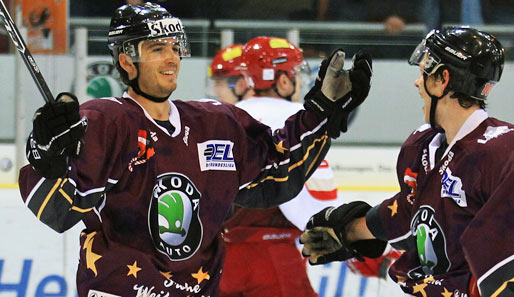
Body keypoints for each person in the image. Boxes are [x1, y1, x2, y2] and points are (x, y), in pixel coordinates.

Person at [18, 2, 372, 296]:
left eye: (175, 47)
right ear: (126, 61)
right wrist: (45, 154)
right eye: (157, 49)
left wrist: (322, 112)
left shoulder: (215, 123)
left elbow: (277, 171)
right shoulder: (107, 122)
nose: (172, 58)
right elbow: (57, 211)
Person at [300, 26, 513, 297]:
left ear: (442, 79)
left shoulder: (502, 153)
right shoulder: (422, 145)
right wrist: (350, 230)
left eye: (423, 72)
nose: (417, 82)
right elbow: (411, 213)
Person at [218, 36, 342, 297]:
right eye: (297, 73)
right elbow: (318, 204)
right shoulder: (299, 121)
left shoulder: (221, 117)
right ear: (283, 81)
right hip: (272, 257)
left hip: (221, 260)